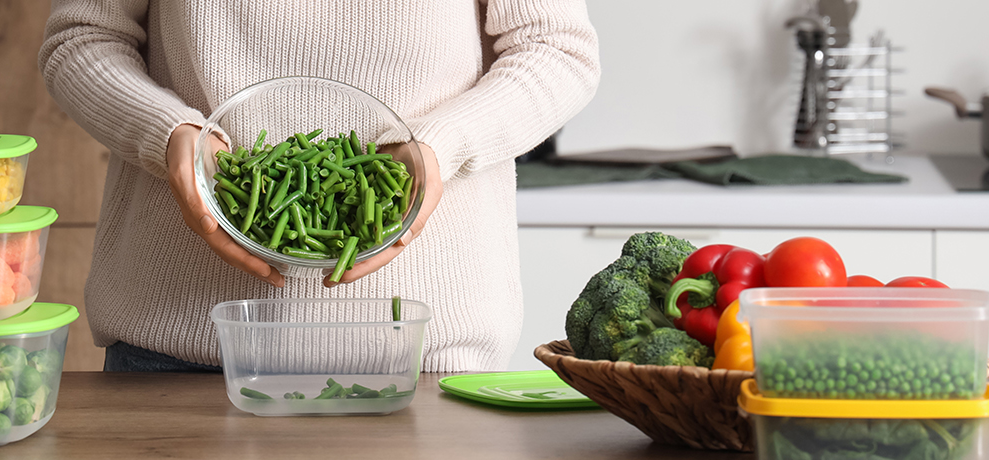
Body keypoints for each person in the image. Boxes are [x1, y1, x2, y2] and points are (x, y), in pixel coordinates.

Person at [39, 1, 599, 372]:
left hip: (428, 355)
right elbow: (83, 38)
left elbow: (557, 50)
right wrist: (170, 135)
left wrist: (438, 146)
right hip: (177, 346)